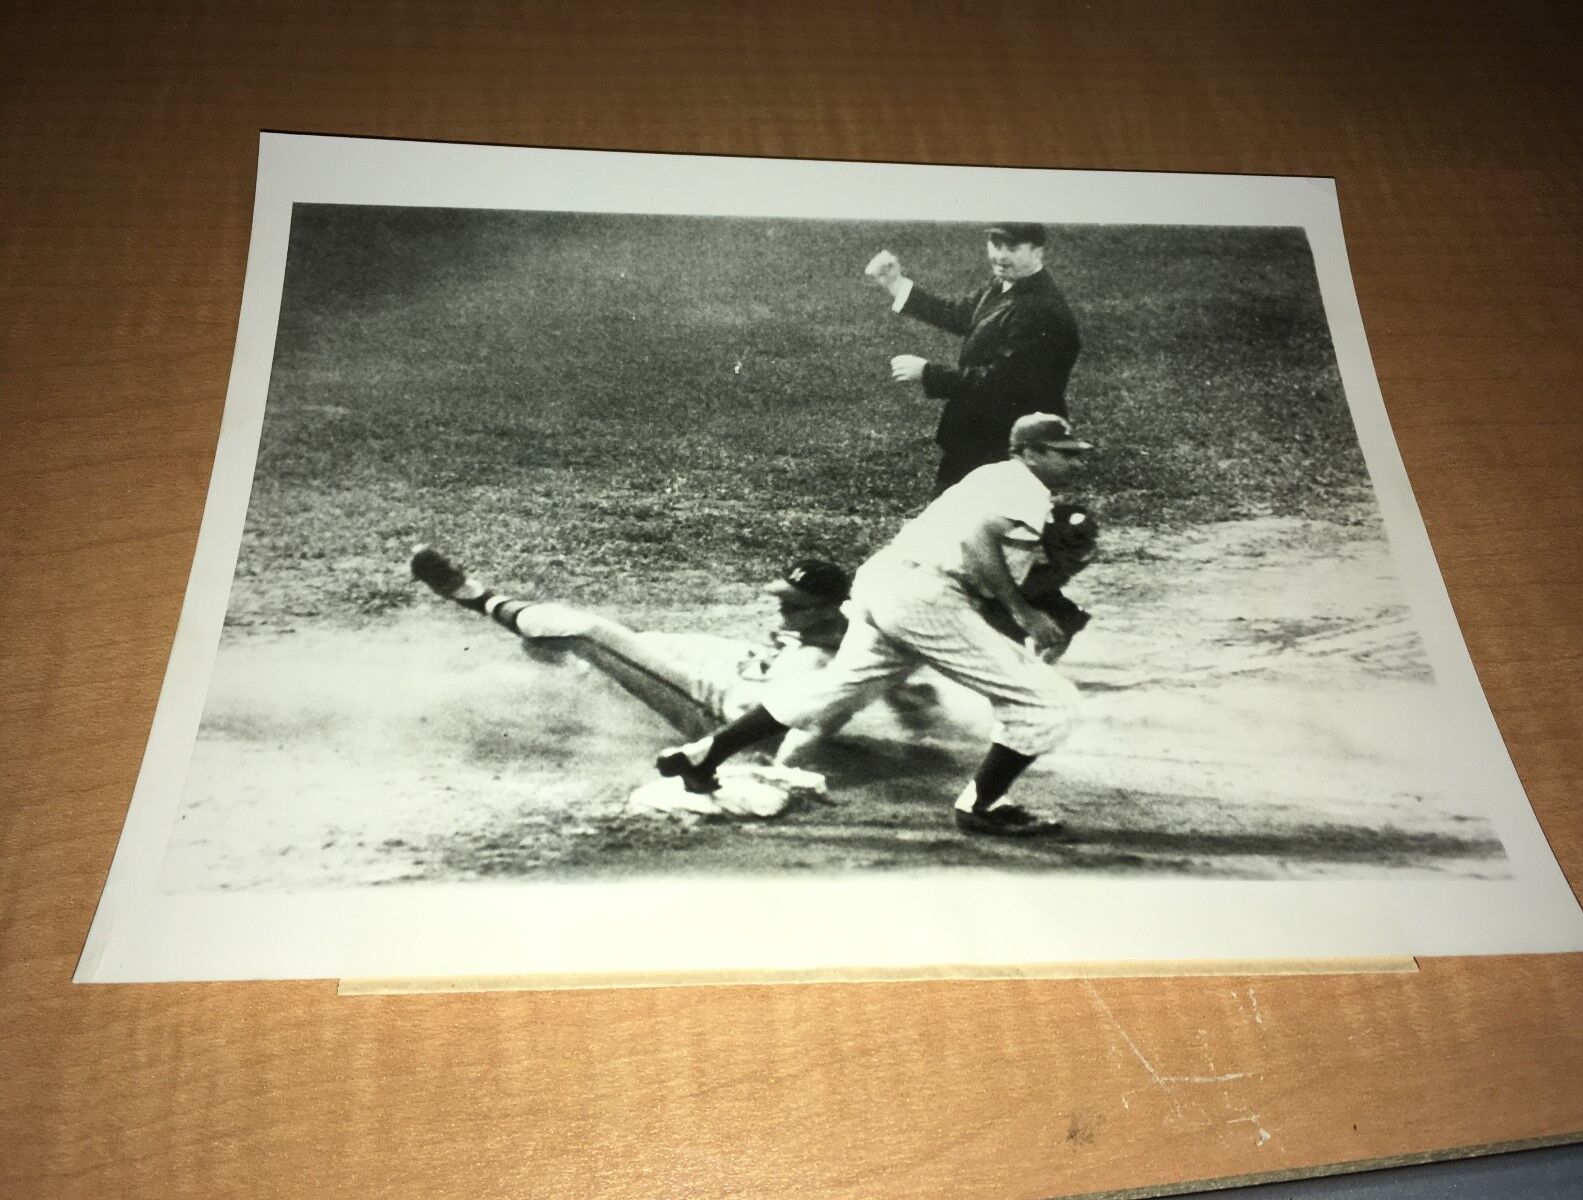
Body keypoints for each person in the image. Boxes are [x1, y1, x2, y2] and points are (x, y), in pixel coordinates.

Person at [655, 412, 1096, 838]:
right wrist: (1023, 612)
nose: (1075, 463)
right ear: (1029, 453)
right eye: (1064, 453)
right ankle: (984, 806)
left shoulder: (990, 476)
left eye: (1076, 454)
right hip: (925, 595)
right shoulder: (1025, 486)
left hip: (886, 581)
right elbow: (978, 540)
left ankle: (700, 757)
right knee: (1050, 702)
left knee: (835, 688)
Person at [408, 547, 897, 765]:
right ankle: (578, 670)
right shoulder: (843, 629)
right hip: (735, 672)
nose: (779, 607)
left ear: (826, 611)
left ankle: (471, 594)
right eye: (781, 597)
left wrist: (772, 766)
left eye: (793, 605)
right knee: (649, 640)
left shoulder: (824, 665)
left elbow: (797, 721)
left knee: (590, 631)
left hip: (713, 713)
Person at [865, 222, 1081, 493]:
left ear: (1037, 252)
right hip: (984, 440)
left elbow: (1003, 382)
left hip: (1009, 449)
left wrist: (928, 372)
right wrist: (895, 283)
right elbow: (960, 315)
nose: (1000, 256)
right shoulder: (1005, 286)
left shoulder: (1039, 309)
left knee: (970, 522)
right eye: (995, 245)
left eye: (1012, 248)